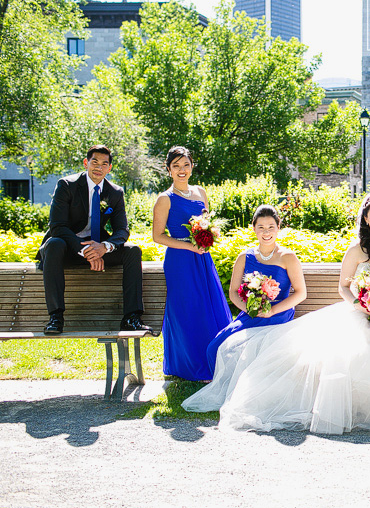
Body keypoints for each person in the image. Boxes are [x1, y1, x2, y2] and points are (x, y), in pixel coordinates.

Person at [182, 192, 370, 434]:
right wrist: (362, 304)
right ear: (366, 219)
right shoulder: (356, 250)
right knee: (358, 345)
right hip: (359, 309)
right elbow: (344, 287)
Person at [36, 145, 150, 334]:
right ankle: (56, 317)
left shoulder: (115, 193)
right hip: (67, 248)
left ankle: (131, 317)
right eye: (94, 162)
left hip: (98, 246)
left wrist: (104, 248)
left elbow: (122, 230)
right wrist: (86, 251)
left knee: (133, 251)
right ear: (86, 163)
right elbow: (57, 226)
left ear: (109, 168)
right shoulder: (66, 185)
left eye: (104, 164)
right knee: (54, 244)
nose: (99, 167)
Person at [151, 146, 232, 381]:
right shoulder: (164, 199)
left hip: (202, 259)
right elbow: (157, 236)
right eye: (176, 166)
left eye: (185, 165)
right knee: (187, 309)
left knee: (207, 306)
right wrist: (189, 246)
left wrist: (209, 238)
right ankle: (188, 365)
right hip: (180, 260)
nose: (181, 170)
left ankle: (214, 359)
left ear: (192, 166)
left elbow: (208, 223)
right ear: (168, 170)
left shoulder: (201, 192)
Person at [205, 204, 307, 372]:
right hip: (251, 313)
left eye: (270, 227)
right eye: (261, 227)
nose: (266, 233)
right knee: (215, 347)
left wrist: (272, 311)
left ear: (278, 227)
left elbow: (301, 293)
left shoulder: (288, 257)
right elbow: (233, 292)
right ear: (253, 228)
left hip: (278, 315)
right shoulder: (244, 257)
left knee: (258, 350)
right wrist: (248, 309)